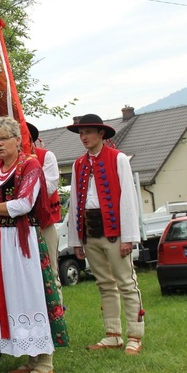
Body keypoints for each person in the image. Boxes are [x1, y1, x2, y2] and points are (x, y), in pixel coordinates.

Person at [0, 117, 68, 373]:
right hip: (1, 240)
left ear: (17, 139)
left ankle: (46, 361)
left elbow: (23, 204)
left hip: (22, 239)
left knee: (31, 294)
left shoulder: (30, 165)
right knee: (14, 295)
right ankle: (31, 356)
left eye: (3, 138)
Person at [67, 114, 144, 355]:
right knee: (104, 284)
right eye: (81, 133)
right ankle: (113, 334)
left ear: (101, 134)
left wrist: (128, 237)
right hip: (90, 232)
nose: (84, 137)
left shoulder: (118, 158)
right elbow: (74, 203)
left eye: (88, 132)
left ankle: (135, 335)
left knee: (127, 283)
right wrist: (76, 240)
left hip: (115, 232)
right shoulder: (78, 164)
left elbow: (128, 199)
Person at [27, 122, 63, 303]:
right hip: (20, 225)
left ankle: (57, 315)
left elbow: (49, 186)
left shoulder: (46, 156)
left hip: (44, 222)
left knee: (51, 271)